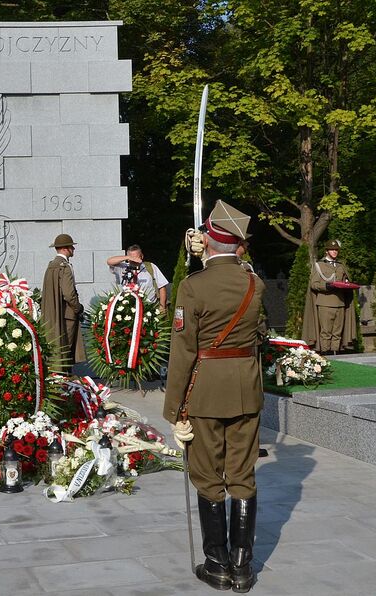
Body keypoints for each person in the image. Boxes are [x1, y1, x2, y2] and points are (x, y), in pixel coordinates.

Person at [163, 200, 265, 593]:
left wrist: (174, 409)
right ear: (238, 245)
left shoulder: (192, 286)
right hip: (245, 389)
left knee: (208, 477)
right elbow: (258, 333)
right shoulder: (254, 283)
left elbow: (183, 351)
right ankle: (243, 567)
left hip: (203, 390)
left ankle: (217, 564)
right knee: (242, 475)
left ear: (207, 240)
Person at [302, 240, 357, 354]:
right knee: (326, 332)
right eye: (332, 250)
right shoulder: (319, 265)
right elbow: (313, 284)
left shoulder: (341, 266)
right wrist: (326, 286)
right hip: (325, 302)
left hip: (340, 302)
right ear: (326, 251)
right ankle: (326, 354)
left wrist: (348, 284)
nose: (335, 252)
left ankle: (335, 353)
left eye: (336, 250)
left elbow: (345, 280)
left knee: (337, 332)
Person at [41, 233, 84, 372]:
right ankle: (64, 379)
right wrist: (78, 308)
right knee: (66, 348)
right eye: (72, 246)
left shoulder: (51, 266)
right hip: (67, 315)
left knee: (56, 346)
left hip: (54, 314)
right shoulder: (64, 267)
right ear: (66, 248)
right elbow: (69, 294)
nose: (73, 249)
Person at [105, 245, 170, 310]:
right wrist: (128, 257)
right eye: (132, 258)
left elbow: (162, 287)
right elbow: (109, 261)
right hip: (129, 308)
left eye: (136, 258)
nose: (134, 260)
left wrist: (162, 306)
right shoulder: (123, 267)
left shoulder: (150, 267)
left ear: (141, 256)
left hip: (150, 307)